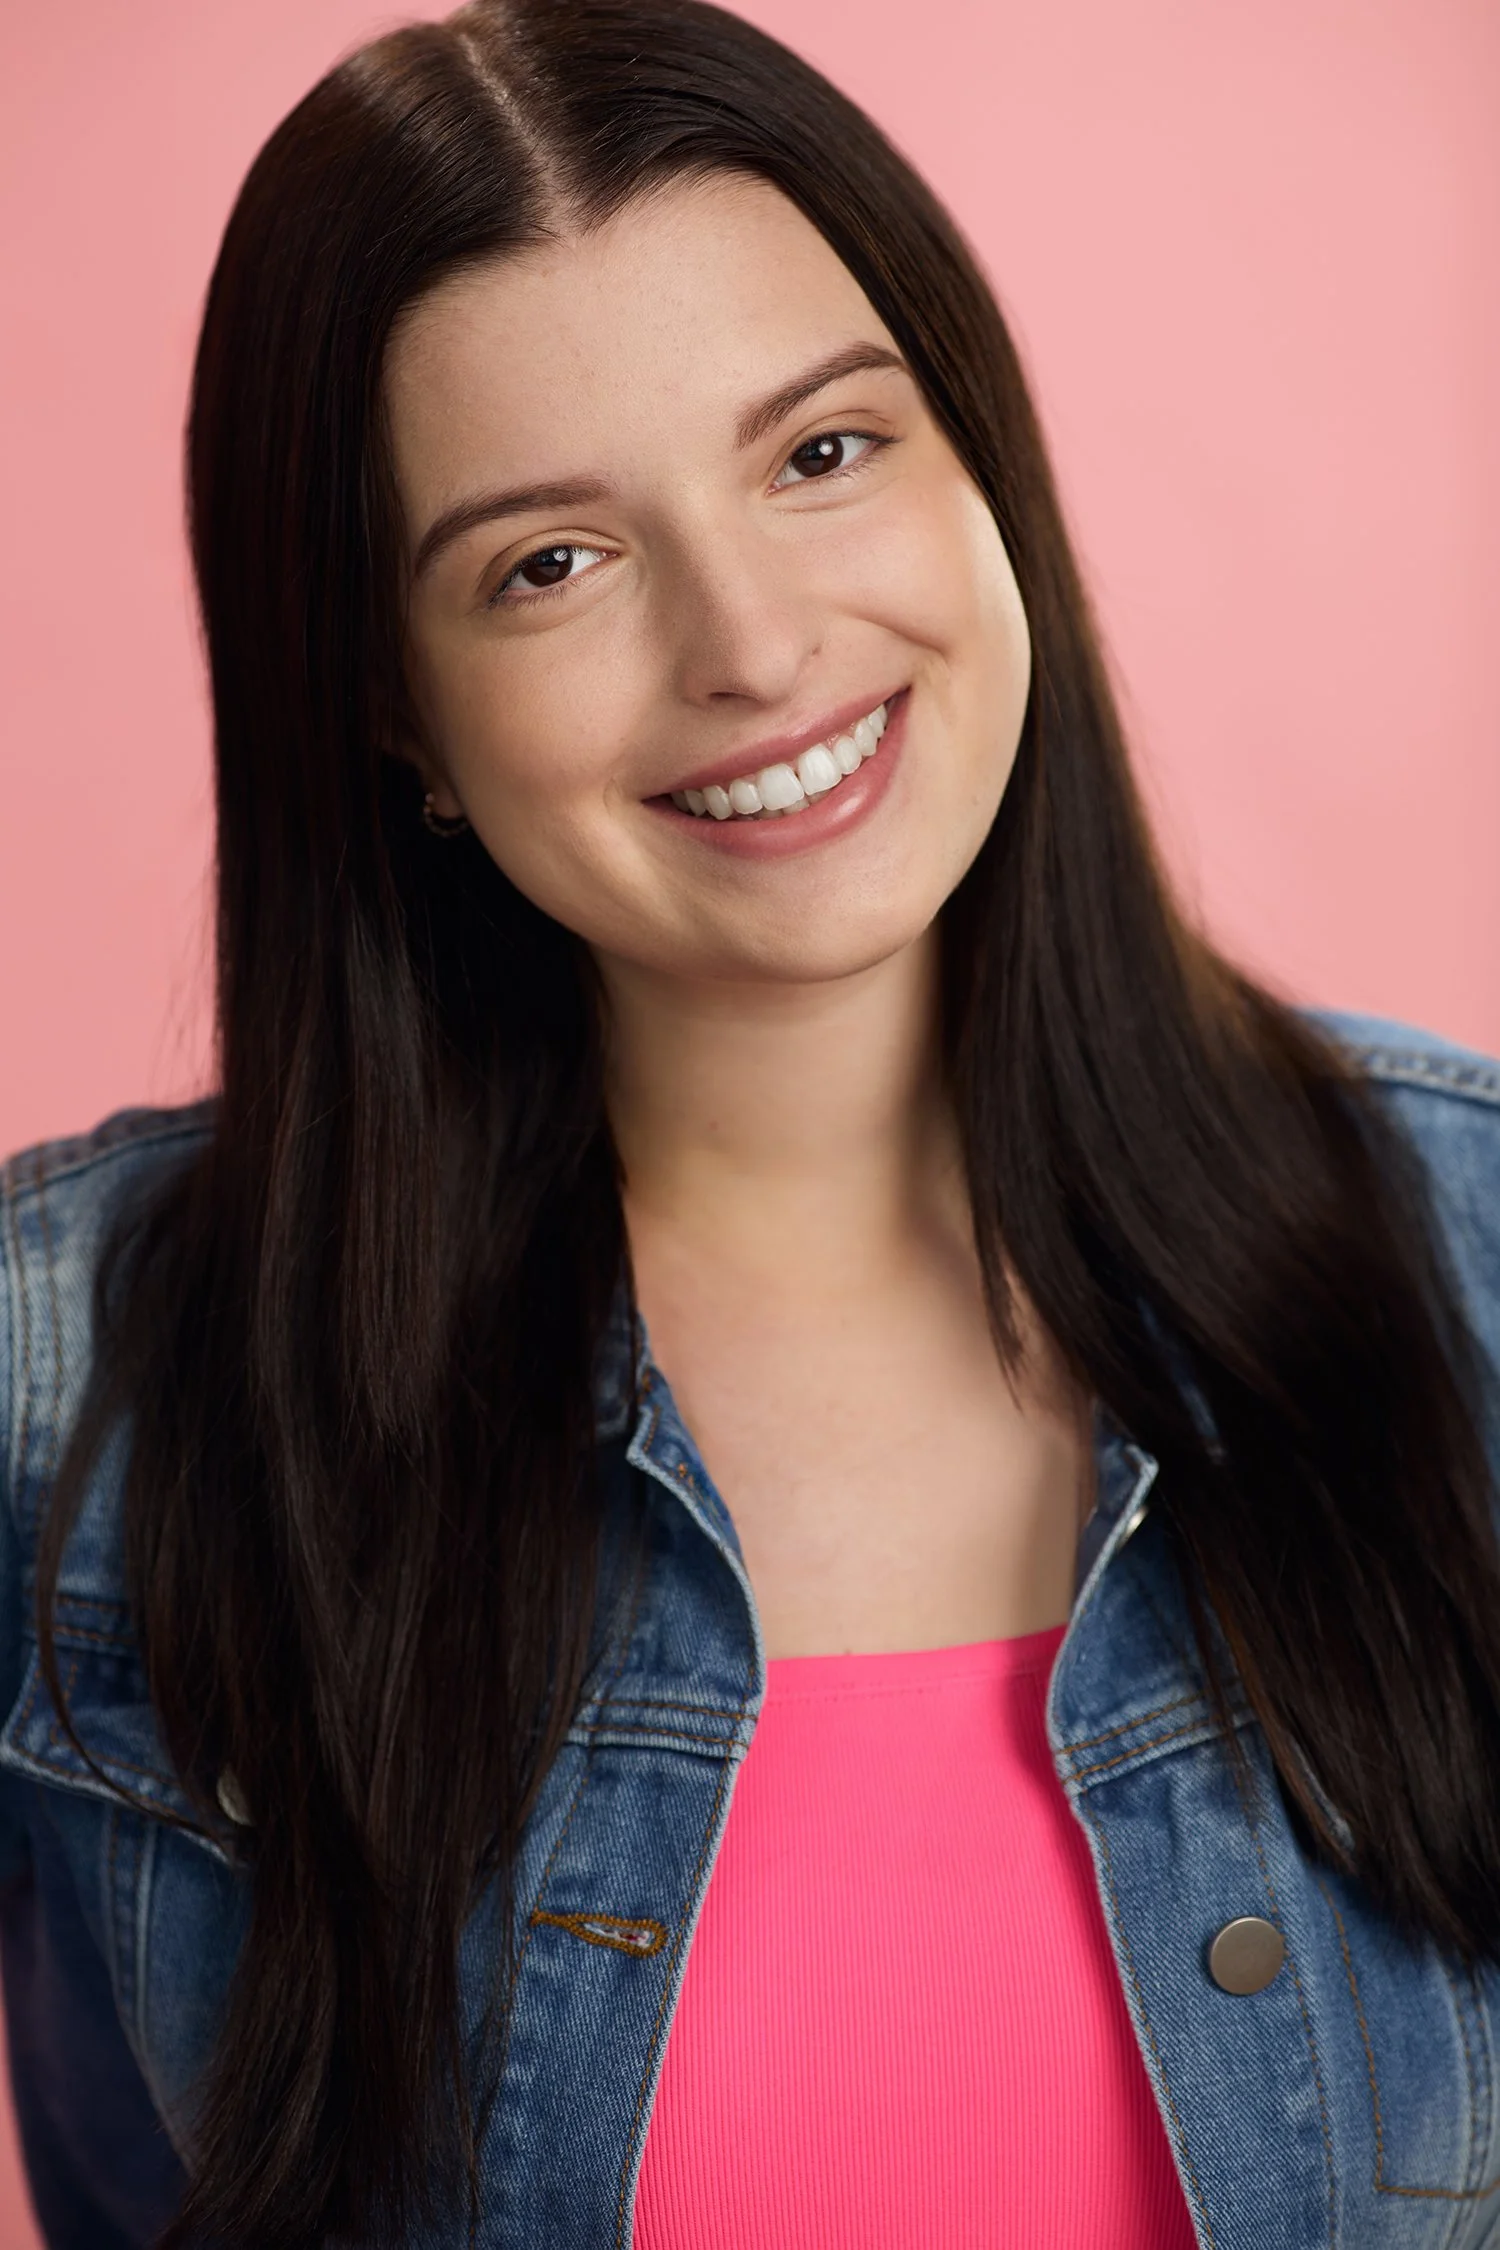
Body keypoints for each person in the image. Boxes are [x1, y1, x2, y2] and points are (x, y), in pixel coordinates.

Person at [3, 1, 1500, 2244]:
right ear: (391, 711)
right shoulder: (71, 1380)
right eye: (549, 564)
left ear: (980, 460)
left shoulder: (1475, 1245)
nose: (755, 645)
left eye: (821, 454)